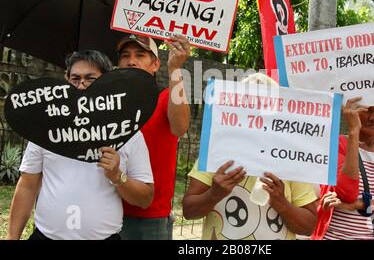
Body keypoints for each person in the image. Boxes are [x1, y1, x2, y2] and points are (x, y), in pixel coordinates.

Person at [7, 50, 154, 240]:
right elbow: (27, 185)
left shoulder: (128, 131)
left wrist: (118, 176)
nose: (81, 86)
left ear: (106, 81)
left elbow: (145, 198)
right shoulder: (46, 127)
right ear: (66, 80)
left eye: (90, 79)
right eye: (75, 78)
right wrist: (12, 237)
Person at [182, 73, 319, 240]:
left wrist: (281, 203)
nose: (258, 115)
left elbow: (308, 227)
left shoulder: (290, 158)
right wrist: (214, 194)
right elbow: (189, 211)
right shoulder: (218, 152)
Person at [117, 34, 191, 240]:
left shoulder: (165, 98)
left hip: (149, 219)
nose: (131, 60)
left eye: (140, 55)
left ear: (155, 64)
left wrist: (175, 69)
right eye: (125, 55)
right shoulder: (108, 104)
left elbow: (180, 127)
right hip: (106, 208)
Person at [312, 98, 374, 240]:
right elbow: (347, 193)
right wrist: (354, 131)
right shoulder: (338, 145)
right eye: (366, 111)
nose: (373, 118)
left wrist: (360, 204)